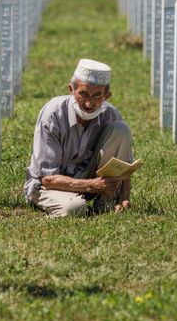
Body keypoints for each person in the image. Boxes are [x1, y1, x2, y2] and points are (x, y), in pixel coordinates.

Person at [23, 59, 134, 217]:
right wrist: (92, 185)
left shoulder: (110, 114)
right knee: (74, 208)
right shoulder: (53, 114)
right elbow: (47, 179)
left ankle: (107, 202)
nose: (89, 104)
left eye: (97, 96)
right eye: (83, 94)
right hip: (50, 187)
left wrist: (124, 198)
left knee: (121, 129)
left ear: (107, 96)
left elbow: (123, 167)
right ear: (71, 89)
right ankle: (74, 203)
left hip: (93, 184)